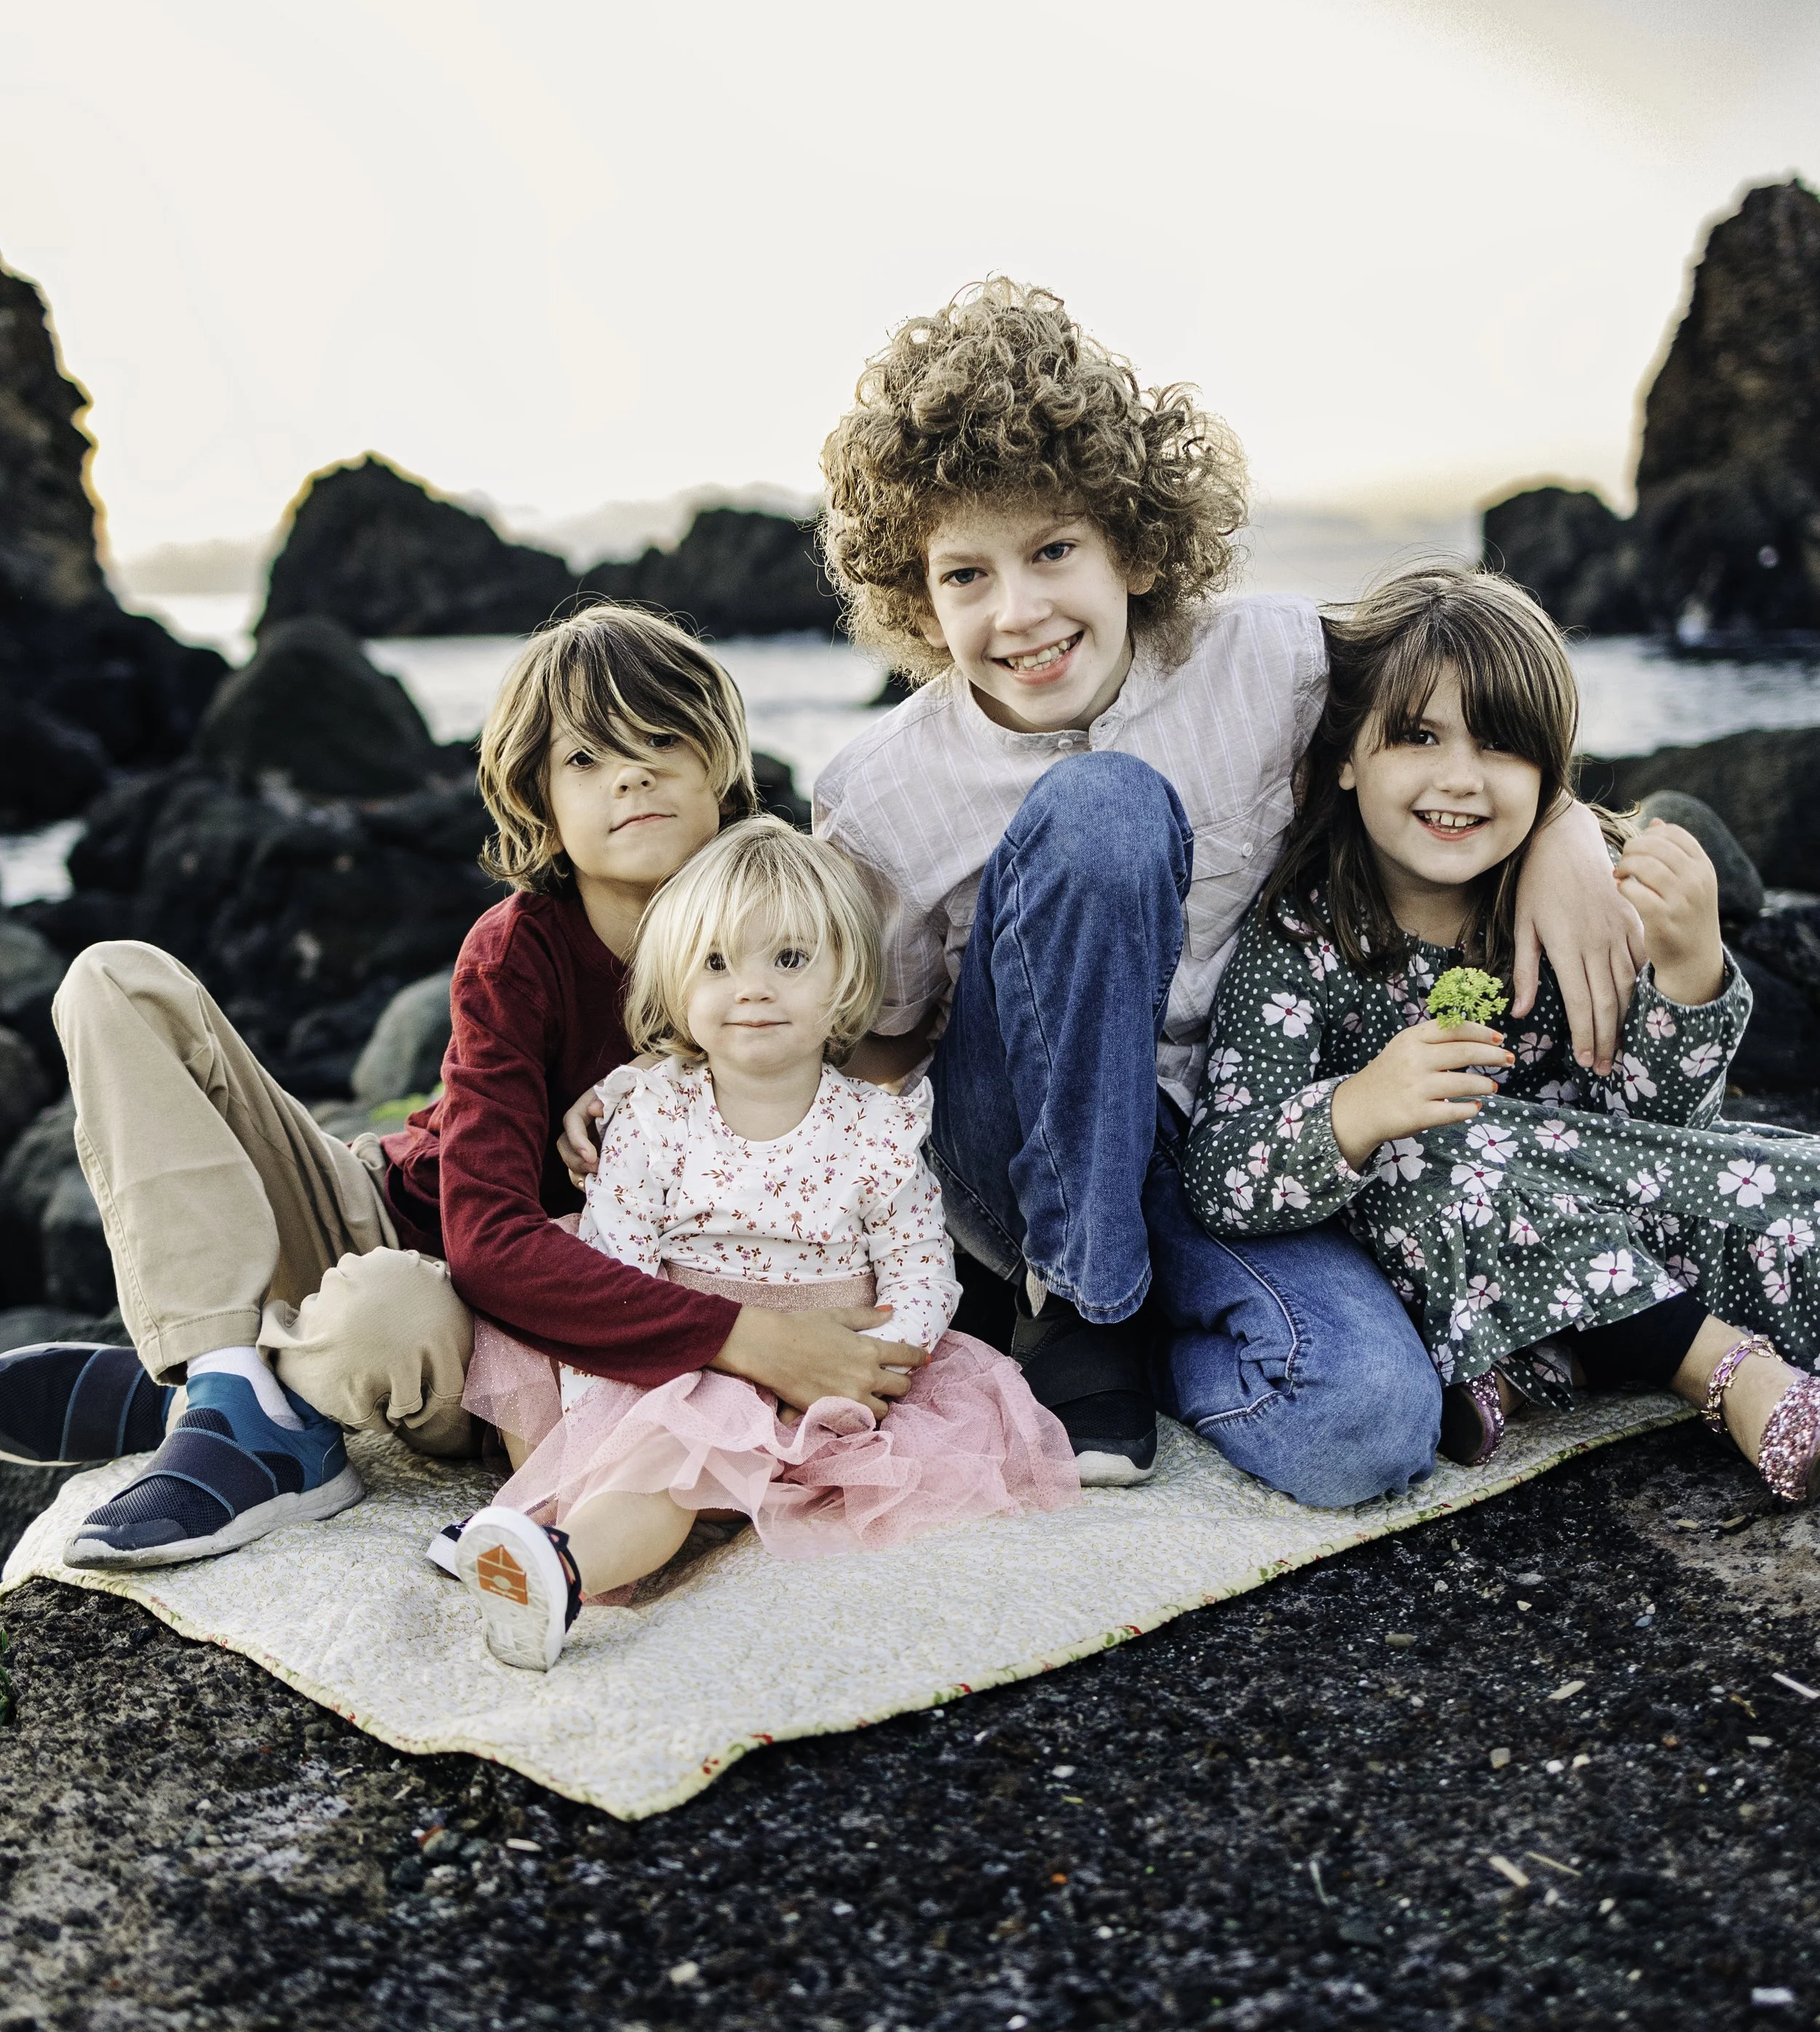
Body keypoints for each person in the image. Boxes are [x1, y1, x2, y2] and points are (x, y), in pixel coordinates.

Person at [773, 279, 1637, 1507]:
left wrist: (1564, 827)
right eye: (966, 576)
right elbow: (888, 1045)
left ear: (1131, 539)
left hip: (1226, 1143)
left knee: (1371, 1425)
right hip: (1013, 1166)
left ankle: (1157, 1333)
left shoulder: (1275, 660)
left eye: (1055, 550)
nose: (1019, 614)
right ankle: (1077, 1304)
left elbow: (1452, 730)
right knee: (1107, 811)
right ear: (918, 597)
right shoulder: (876, 792)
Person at [0, 606, 925, 1568]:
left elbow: (866, 1094)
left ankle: (215, 1389)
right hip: (390, 1213)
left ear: (722, 767)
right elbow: (484, 1234)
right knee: (115, 979)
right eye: (586, 760)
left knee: (376, 1322)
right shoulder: (517, 949)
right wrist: (745, 1339)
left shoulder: (790, 926)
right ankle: (233, 1387)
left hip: (490, 1339)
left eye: (662, 741)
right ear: (540, 803)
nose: (632, 774)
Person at [1182, 564, 1820, 1501]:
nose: (1460, 778)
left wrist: (1687, 968)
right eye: (1418, 736)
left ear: (1547, 770)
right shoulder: (1299, 942)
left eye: (1501, 746)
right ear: (1348, 754)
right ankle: (1722, 1371)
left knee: (1788, 1195)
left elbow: (1659, 1129)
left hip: (1601, 1227)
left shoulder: (1566, 902)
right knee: (1441, 1147)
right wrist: (1356, 1111)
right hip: (1422, 1251)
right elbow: (1218, 1175)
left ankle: (1547, 1359)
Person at [454, 819, 1077, 1672]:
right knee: (664, 1457)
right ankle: (561, 1563)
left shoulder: (876, 1125)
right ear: (675, 987)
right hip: (681, 1364)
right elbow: (615, 1257)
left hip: (831, 1375)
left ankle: (554, 1548)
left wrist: (884, 1360)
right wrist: (608, 1413)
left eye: (787, 960)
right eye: (716, 963)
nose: (751, 988)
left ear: (844, 982)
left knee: (712, 1463)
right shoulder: (653, 1114)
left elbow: (920, 1264)